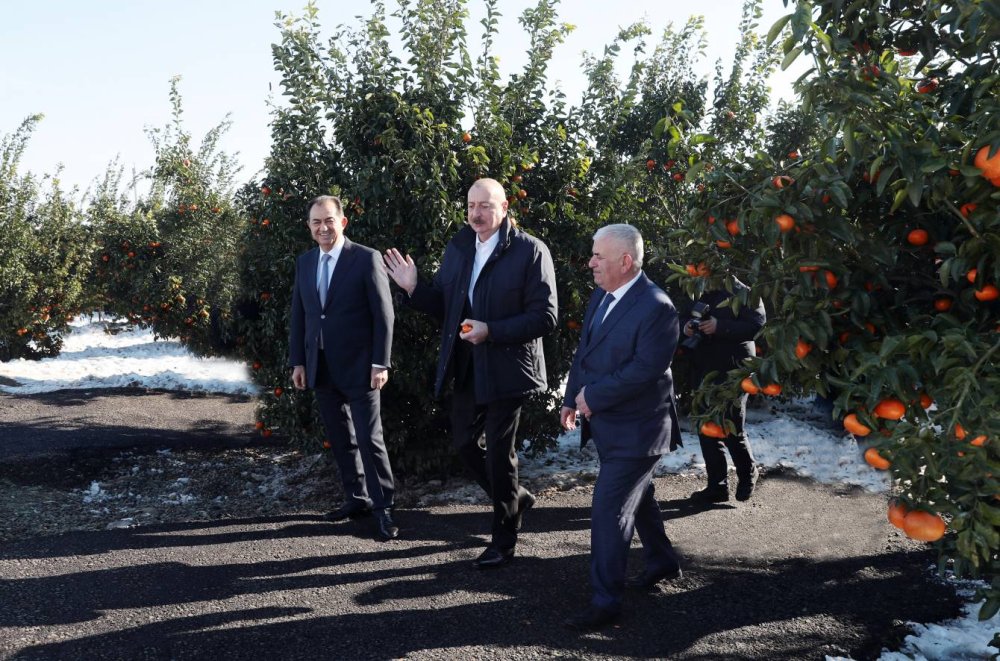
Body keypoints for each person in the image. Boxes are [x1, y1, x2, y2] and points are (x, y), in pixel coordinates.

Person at [383, 177, 557, 569]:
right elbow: (448, 306)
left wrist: (491, 330)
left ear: (504, 207)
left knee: (499, 454)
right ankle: (515, 497)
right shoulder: (460, 246)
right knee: (464, 443)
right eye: (471, 205)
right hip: (468, 364)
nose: (476, 214)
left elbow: (545, 317)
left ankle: (503, 541)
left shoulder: (530, 251)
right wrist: (413, 289)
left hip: (510, 368)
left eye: (485, 206)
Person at [559, 223, 684, 631]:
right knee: (639, 496)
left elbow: (645, 370)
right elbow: (585, 351)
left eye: (599, 256)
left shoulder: (658, 306)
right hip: (609, 426)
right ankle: (662, 561)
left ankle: (605, 602)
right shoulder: (603, 294)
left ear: (625, 261)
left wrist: (592, 397)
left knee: (609, 509)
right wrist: (571, 397)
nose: (591, 263)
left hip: (640, 431)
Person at [288, 195, 399, 541]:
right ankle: (357, 499)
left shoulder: (365, 258)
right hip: (321, 366)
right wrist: (298, 361)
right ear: (309, 226)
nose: (323, 228)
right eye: (316, 222)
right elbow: (300, 316)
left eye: (329, 221)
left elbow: (384, 314)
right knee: (340, 438)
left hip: (362, 368)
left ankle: (384, 508)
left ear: (343, 222)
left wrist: (380, 362)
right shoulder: (305, 262)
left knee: (369, 439)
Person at [682, 280, 766, 503]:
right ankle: (717, 486)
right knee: (706, 426)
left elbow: (757, 325)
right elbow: (683, 315)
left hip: (734, 368)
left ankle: (747, 473)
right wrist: (686, 327)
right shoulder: (699, 288)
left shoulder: (744, 292)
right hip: (704, 366)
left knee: (731, 424)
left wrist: (720, 326)